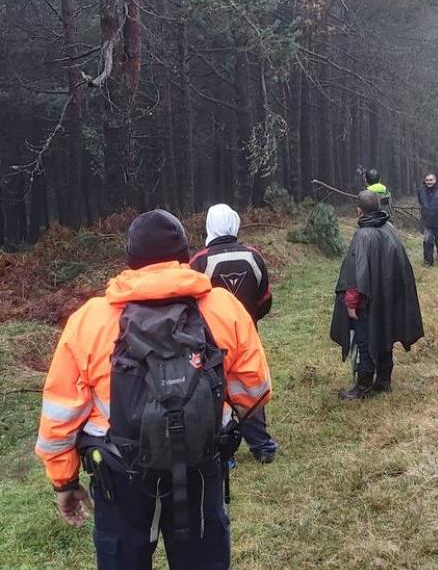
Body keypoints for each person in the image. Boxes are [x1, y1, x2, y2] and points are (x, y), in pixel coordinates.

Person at [36, 209, 271, 570]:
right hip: (199, 465)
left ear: (130, 260)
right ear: (184, 255)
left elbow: (60, 416)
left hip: (119, 475)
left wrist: (64, 481)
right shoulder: (223, 307)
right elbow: (255, 392)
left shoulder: (90, 319)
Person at [190, 204, 278, 464]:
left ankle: (224, 454)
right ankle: (262, 446)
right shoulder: (254, 256)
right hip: (247, 334)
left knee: (215, 392)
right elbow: (266, 297)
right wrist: (249, 319)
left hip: (210, 342)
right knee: (249, 388)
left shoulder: (199, 261)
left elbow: (189, 304)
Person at [330, 191, 423, 399]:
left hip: (368, 302)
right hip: (387, 297)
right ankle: (383, 381)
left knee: (365, 340)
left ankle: (363, 386)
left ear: (359, 211)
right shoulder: (389, 228)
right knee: (385, 335)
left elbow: (356, 274)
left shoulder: (363, 235)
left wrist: (351, 303)